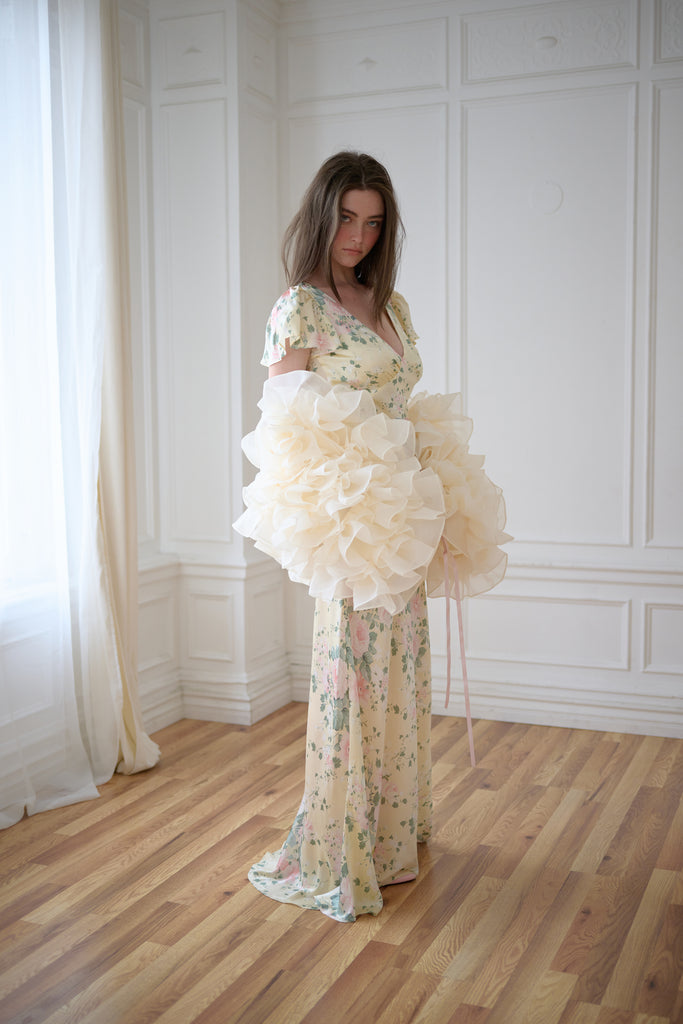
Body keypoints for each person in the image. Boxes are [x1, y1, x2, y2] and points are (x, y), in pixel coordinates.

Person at [235, 151, 508, 922]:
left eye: (374, 222)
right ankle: (340, 846)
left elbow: (400, 403)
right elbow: (286, 430)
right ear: (321, 217)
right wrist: (355, 495)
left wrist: (424, 484)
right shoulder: (300, 307)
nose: (358, 236)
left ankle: (390, 838)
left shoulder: (392, 305)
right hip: (352, 527)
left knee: (400, 673)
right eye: (347, 218)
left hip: (403, 516)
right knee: (353, 677)